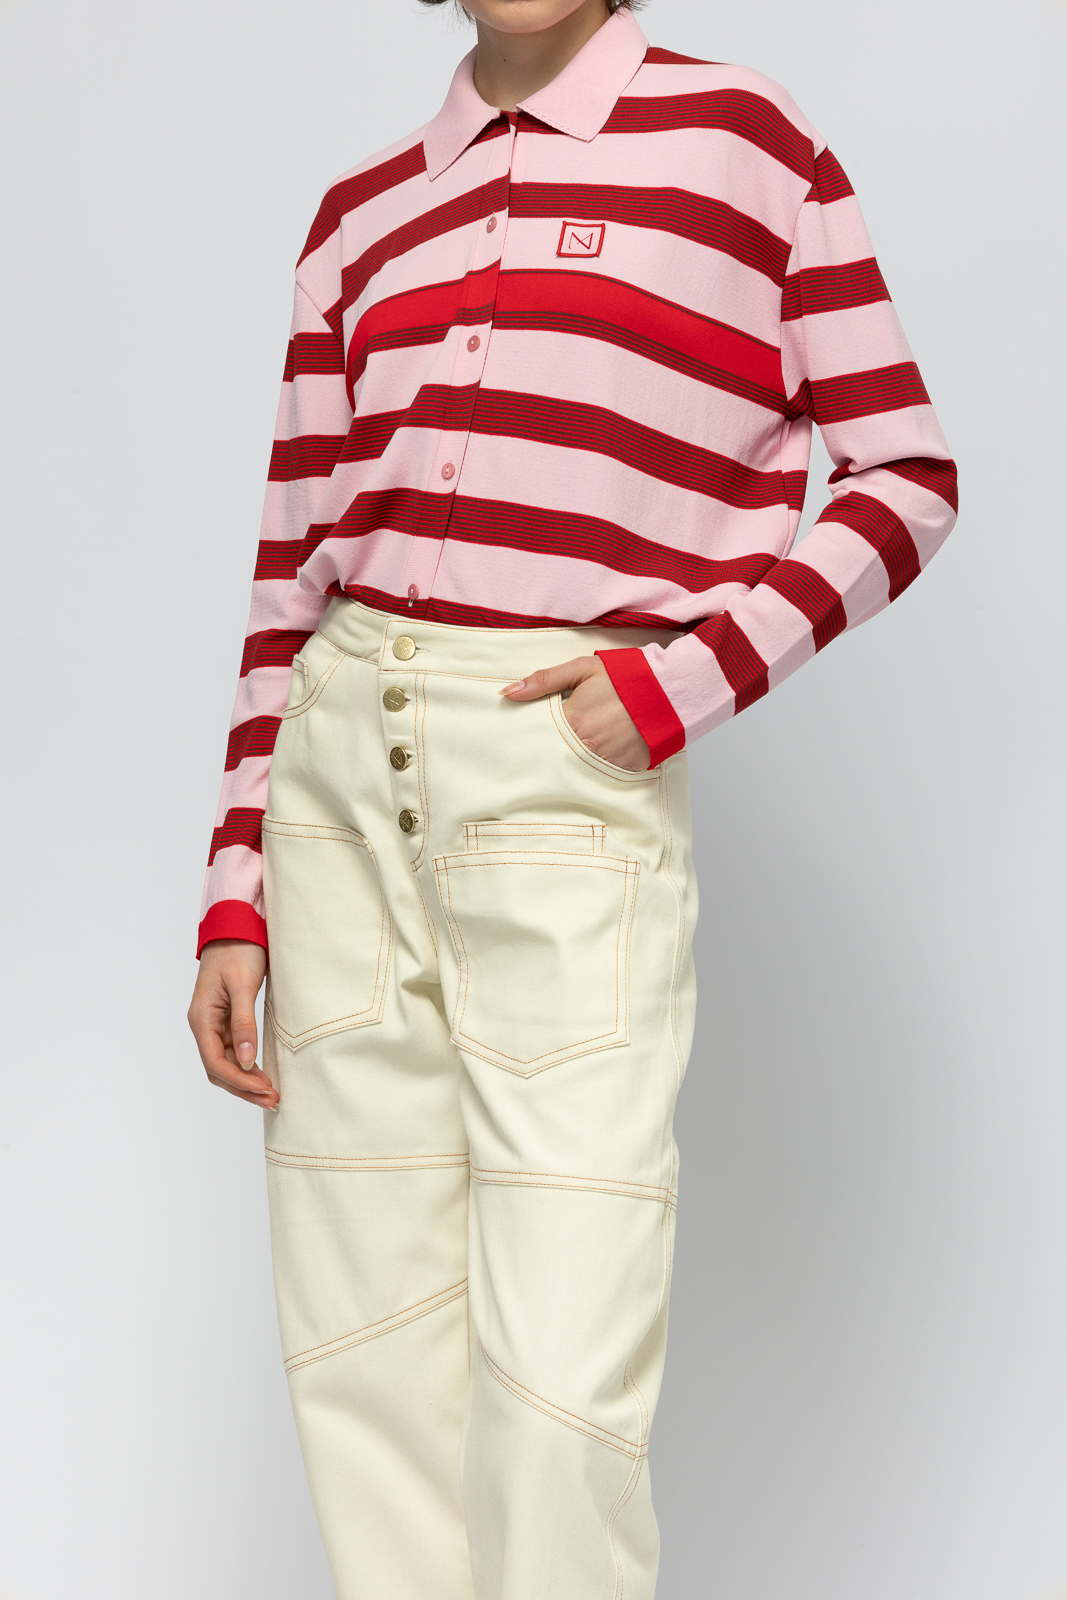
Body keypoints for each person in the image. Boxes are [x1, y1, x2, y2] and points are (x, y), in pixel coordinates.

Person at [187, 0, 957, 1593]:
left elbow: (907, 476)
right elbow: (290, 573)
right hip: (335, 788)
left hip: (558, 776)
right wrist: (234, 891)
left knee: (560, 1385)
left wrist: (682, 682)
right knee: (365, 1351)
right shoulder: (361, 212)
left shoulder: (745, 143)